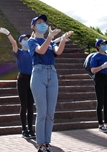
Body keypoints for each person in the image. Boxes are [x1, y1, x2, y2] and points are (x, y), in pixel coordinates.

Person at [27, 14, 73, 152]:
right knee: (42, 112)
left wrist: (63, 39)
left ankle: (48, 142)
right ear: (33, 27)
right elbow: (40, 51)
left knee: (50, 113)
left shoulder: (51, 42)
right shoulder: (32, 41)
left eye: (44, 23)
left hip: (52, 74)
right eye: (39, 22)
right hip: (38, 74)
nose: (43, 24)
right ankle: (40, 144)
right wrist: (50, 37)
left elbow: (58, 52)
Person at [0, 28, 35, 139]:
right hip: (22, 80)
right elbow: (13, 43)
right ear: (20, 42)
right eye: (24, 39)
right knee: (24, 105)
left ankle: (31, 129)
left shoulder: (32, 52)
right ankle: (24, 129)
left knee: (31, 106)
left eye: (28, 39)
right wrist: (8, 33)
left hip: (32, 79)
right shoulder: (19, 52)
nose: (27, 40)